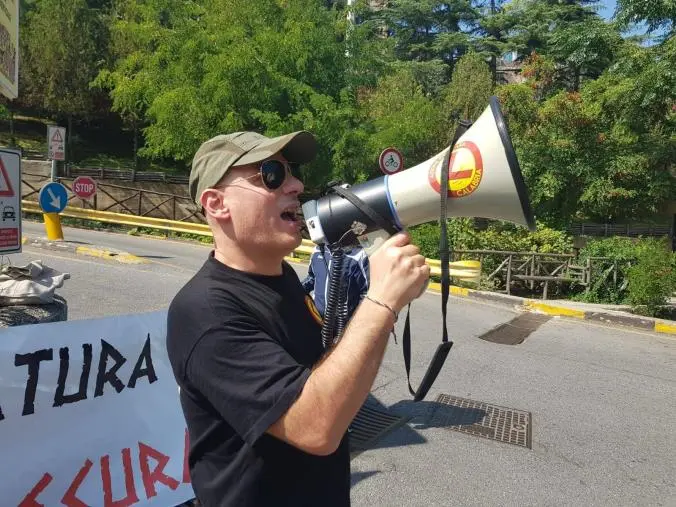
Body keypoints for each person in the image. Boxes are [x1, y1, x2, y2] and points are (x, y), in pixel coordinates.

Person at [166, 130, 429, 507]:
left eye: (293, 173)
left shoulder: (283, 279)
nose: (297, 185)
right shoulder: (205, 311)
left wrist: (387, 299)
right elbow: (315, 427)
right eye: (272, 174)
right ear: (216, 203)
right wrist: (382, 301)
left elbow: (325, 378)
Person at [301, 243, 369, 319]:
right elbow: (312, 277)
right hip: (317, 317)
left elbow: (366, 292)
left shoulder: (358, 254)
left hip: (345, 322)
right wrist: (295, 290)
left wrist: (357, 319)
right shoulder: (317, 250)